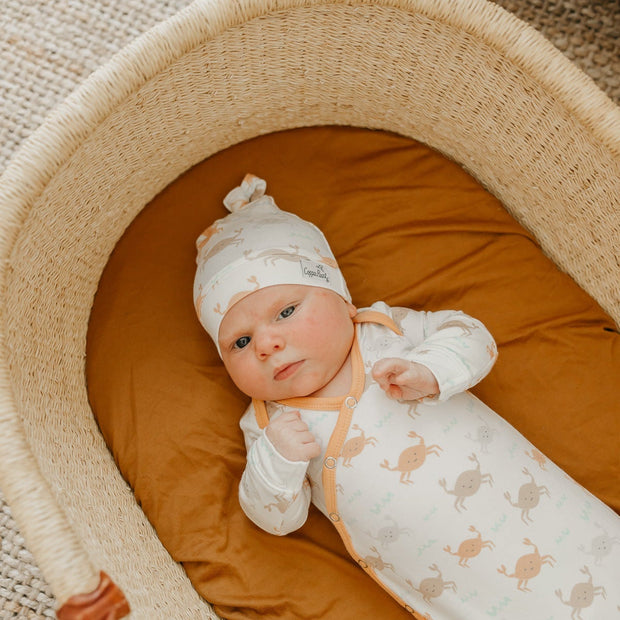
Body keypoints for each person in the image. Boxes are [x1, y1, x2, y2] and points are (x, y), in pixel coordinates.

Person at [194, 174, 620, 619]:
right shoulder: (267, 425)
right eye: (240, 343)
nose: (266, 344)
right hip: (460, 590)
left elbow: (472, 336)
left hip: (547, 519)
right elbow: (276, 518)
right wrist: (277, 462)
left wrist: (433, 369)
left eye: (285, 312)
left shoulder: (385, 332)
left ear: (342, 300)